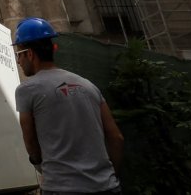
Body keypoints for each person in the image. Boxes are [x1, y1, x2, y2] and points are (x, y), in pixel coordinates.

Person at [13, 17, 124, 195]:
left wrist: (39, 163)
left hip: (60, 188)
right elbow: (116, 137)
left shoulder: (27, 90)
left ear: (30, 54)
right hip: (107, 187)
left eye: (19, 54)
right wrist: (111, 177)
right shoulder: (88, 85)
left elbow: (31, 142)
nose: (18, 60)